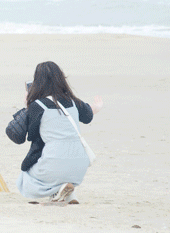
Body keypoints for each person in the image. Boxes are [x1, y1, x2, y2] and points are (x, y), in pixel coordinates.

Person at [6, 61, 103, 205]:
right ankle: (68, 193)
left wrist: (28, 106)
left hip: (54, 164)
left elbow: (27, 135)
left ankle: (57, 190)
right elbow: (88, 114)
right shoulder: (73, 101)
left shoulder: (37, 106)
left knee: (25, 177)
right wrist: (98, 106)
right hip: (79, 168)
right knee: (59, 167)